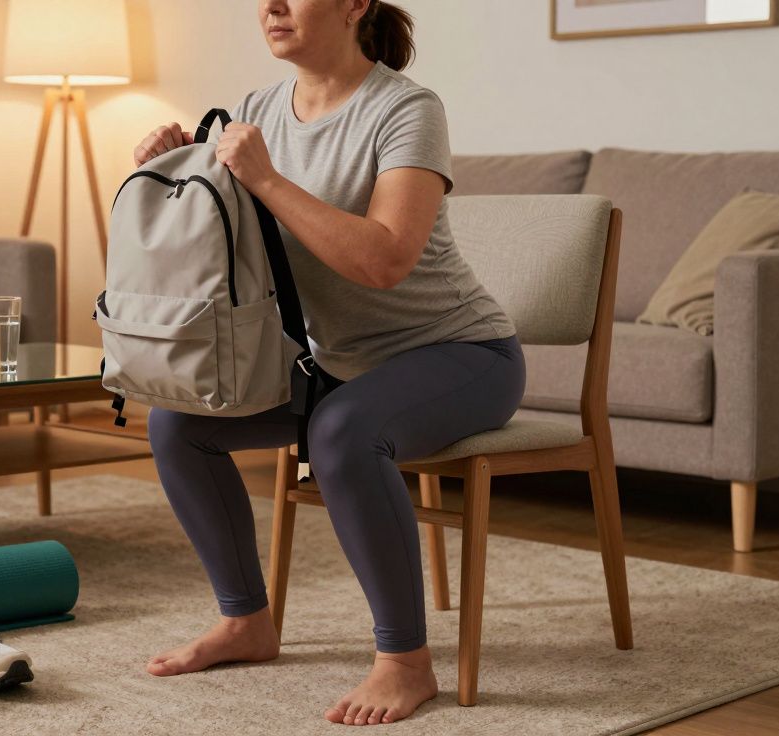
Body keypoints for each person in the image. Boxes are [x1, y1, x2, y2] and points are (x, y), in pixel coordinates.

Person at [133, 0, 526, 726]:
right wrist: (177, 171)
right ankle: (247, 621)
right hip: (334, 362)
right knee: (177, 423)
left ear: (353, 5)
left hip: (460, 354)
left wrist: (266, 178)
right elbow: (228, 251)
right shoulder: (256, 110)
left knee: (342, 432)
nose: (271, 6)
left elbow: (385, 261)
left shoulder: (406, 110)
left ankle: (406, 662)